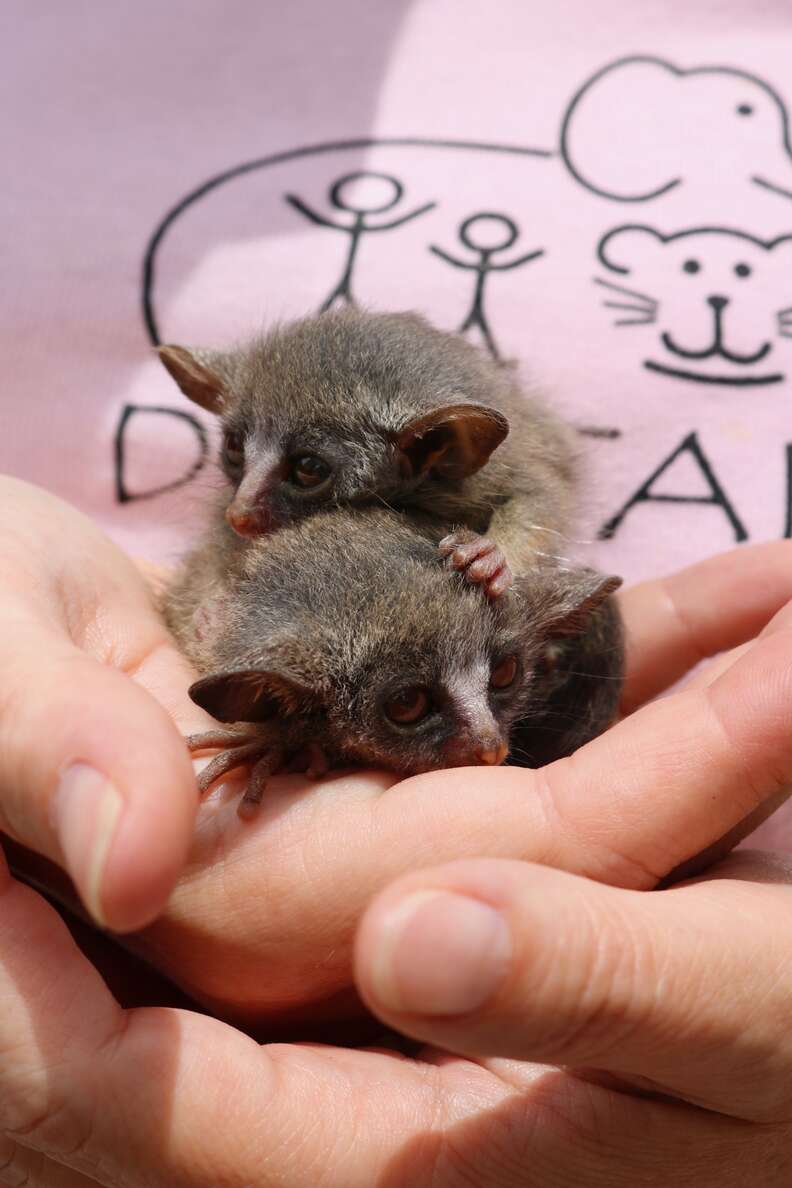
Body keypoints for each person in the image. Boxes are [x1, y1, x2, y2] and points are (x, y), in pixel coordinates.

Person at [2, 477, 792, 1186]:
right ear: (288, 700)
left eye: (502, 679)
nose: (486, 740)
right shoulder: (247, 629)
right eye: (410, 707)